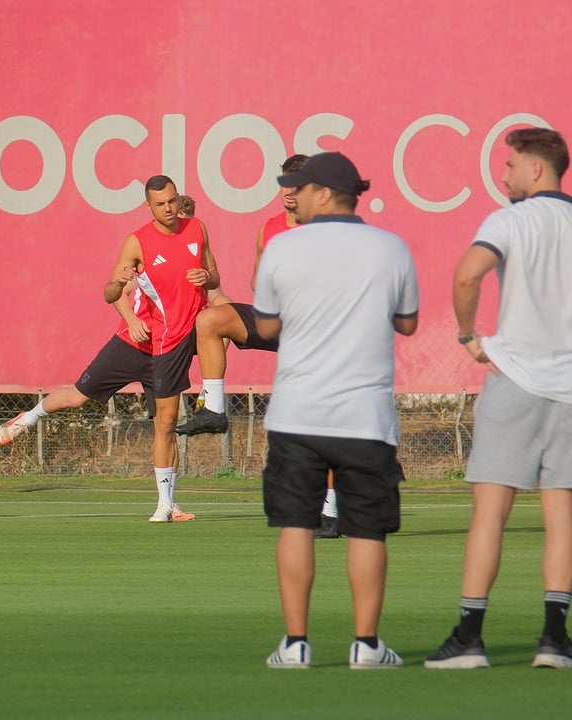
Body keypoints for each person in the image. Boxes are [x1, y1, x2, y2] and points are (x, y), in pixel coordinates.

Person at [255, 152, 418, 670]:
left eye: (300, 188)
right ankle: (367, 646)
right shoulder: (391, 247)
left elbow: (265, 327)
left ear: (324, 193)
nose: (292, 196)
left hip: (297, 414)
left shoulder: (282, 247)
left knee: (296, 525)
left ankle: (295, 645)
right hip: (365, 417)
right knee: (367, 529)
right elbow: (408, 322)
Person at [425, 127, 572, 670]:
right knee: (563, 516)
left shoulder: (510, 220)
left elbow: (468, 275)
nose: (504, 175)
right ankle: (554, 639)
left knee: (490, 514)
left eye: (511, 165)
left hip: (515, 379)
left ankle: (469, 638)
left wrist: (469, 337)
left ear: (535, 168)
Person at [0, 175, 220, 523]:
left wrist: (208, 279)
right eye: (160, 204)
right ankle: (27, 419)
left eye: (172, 201)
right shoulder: (138, 242)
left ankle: (167, 504)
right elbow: (110, 292)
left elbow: (215, 279)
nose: (168, 208)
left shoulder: (197, 230)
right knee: (77, 397)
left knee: (166, 424)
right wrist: (130, 317)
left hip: (168, 349)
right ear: (148, 206)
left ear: (179, 200)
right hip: (133, 344)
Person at [174, 155, 343, 539]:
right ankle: (214, 408)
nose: (289, 192)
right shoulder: (269, 228)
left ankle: (331, 511)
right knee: (210, 320)